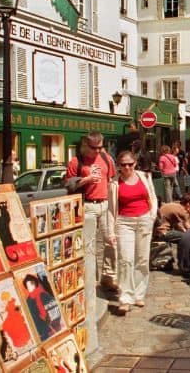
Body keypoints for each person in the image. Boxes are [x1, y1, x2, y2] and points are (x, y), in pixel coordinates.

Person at [65, 132, 118, 292]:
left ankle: (108, 277)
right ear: (86, 146)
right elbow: (68, 185)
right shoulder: (76, 162)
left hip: (104, 204)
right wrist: (86, 180)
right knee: (89, 244)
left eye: (100, 147)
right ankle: (90, 279)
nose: (97, 151)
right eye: (94, 148)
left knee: (110, 242)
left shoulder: (106, 158)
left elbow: (112, 179)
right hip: (87, 205)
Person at [107, 151, 158, 314]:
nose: (127, 167)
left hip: (144, 220)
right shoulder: (114, 183)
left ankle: (139, 294)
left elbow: (153, 197)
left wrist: (152, 215)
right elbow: (110, 209)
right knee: (125, 260)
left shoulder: (145, 177)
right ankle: (125, 298)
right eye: (123, 164)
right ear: (118, 165)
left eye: (130, 164)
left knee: (142, 260)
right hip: (124, 222)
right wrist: (110, 231)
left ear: (135, 163)